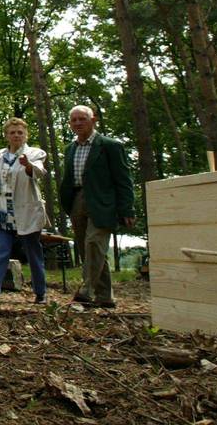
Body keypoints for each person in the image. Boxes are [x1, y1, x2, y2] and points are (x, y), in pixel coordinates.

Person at [59, 105, 135, 309]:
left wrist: (127, 209)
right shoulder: (70, 148)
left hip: (103, 202)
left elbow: (123, 179)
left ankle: (85, 291)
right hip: (77, 201)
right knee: (90, 249)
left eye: (82, 119)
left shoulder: (110, 146)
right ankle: (105, 297)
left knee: (94, 243)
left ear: (94, 120)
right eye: (73, 120)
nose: (77, 123)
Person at [0, 118, 50, 304]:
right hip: (3, 211)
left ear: (26, 135)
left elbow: (40, 171)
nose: (16, 135)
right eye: (12, 132)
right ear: (6, 135)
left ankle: (40, 292)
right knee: (0, 250)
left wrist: (28, 166)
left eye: (20, 132)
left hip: (26, 211)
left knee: (33, 252)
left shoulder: (35, 153)